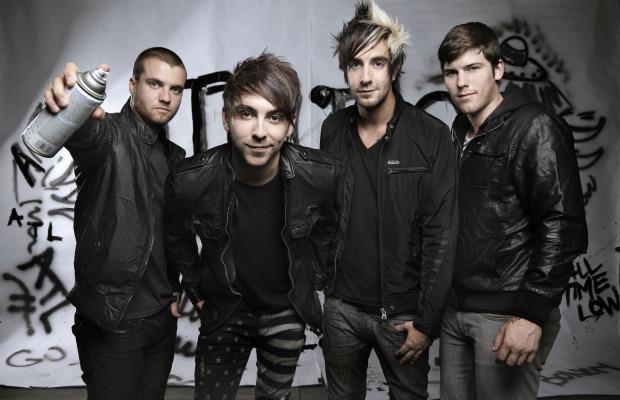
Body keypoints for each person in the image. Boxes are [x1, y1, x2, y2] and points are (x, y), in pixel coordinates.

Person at [165, 52, 341, 400]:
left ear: (290, 125)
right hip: (224, 311)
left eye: (274, 117)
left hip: (286, 312)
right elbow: (173, 233)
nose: (260, 132)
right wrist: (196, 289)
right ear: (226, 118)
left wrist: (315, 281)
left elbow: (330, 228)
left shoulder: (320, 174)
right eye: (247, 114)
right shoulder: (191, 179)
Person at [437, 22, 588, 400]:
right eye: (452, 72)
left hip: (507, 312)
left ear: (498, 69)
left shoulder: (535, 125)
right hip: (456, 309)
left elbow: (562, 223)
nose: (461, 82)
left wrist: (532, 313)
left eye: (473, 68)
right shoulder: (459, 130)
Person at [319, 2, 458, 399]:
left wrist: (427, 322)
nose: (365, 77)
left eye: (377, 63)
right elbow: (324, 216)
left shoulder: (431, 136)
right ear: (345, 70)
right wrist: (322, 291)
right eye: (355, 65)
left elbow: (442, 236)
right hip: (341, 309)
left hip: (403, 315)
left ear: (394, 69)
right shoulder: (333, 129)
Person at [44, 47, 187, 400]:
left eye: (176, 89)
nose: (166, 97)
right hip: (114, 319)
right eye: (155, 84)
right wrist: (64, 107)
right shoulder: (106, 134)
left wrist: (175, 284)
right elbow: (76, 132)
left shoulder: (174, 157)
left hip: (161, 319)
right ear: (133, 85)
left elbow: (170, 233)